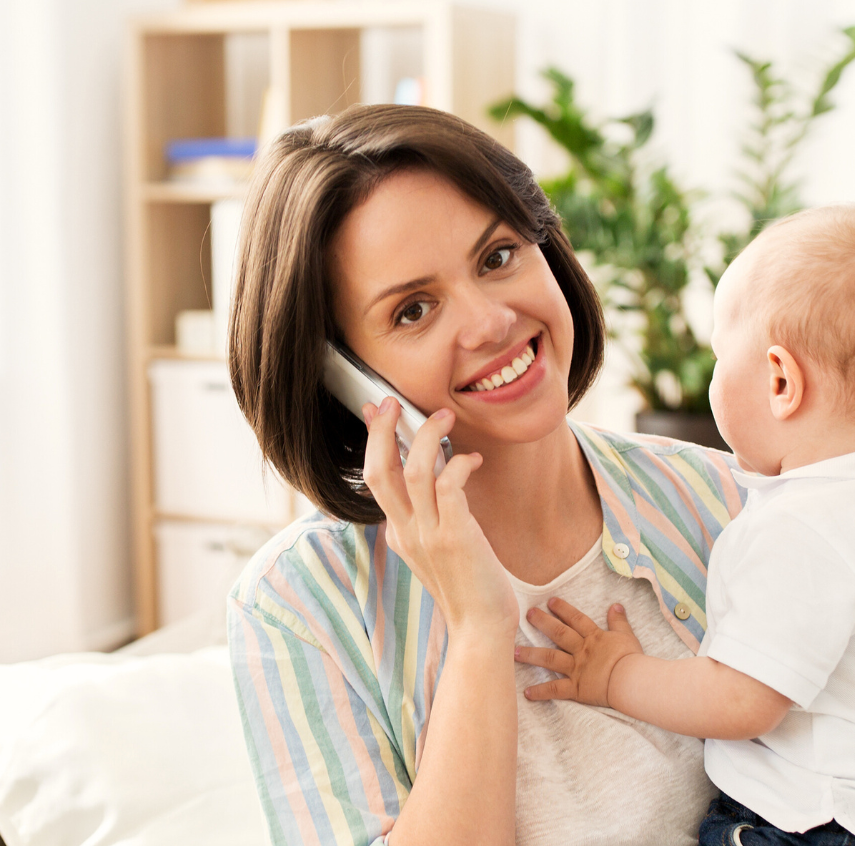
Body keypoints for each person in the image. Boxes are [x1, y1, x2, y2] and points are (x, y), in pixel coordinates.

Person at [225, 104, 748, 846]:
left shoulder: (722, 501)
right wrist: (477, 628)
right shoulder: (298, 604)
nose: (490, 322)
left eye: (497, 257)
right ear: (342, 376)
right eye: (413, 310)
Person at [515, 205, 855, 846]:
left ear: (780, 380)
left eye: (723, 355)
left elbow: (739, 700)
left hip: (810, 826)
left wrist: (616, 676)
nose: (714, 375)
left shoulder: (805, 530)